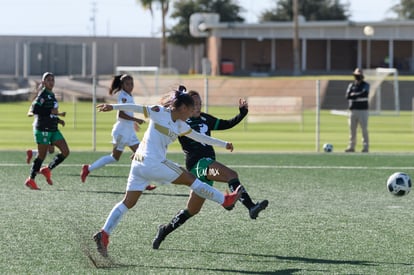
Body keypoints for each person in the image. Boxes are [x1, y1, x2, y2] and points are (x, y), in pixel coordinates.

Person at [92, 86, 243, 257]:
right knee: (191, 179)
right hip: (153, 163)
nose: (192, 113)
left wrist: (223, 144)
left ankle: (103, 233)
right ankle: (224, 200)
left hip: (139, 165)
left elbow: (201, 137)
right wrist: (112, 107)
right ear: (184, 108)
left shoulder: (180, 125)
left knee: (128, 202)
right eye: (191, 109)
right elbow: (138, 108)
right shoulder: (159, 111)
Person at [152, 90, 269, 249]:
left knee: (192, 210)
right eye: (194, 104)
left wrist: (242, 113)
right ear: (186, 107)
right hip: (198, 165)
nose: (198, 107)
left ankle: (164, 231)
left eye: (200, 104)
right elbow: (163, 132)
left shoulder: (206, 118)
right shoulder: (181, 123)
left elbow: (226, 124)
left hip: (206, 166)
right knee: (231, 175)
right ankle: (251, 207)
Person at [79, 74, 156, 190]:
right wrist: (136, 120)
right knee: (115, 157)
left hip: (129, 132)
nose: (130, 86)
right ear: (122, 85)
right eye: (127, 84)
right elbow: (121, 114)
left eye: (132, 84)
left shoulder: (129, 95)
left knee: (141, 155)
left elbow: (128, 112)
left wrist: (133, 123)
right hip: (121, 132)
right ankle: (88, 169)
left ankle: (143, 183)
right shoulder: (123, 96)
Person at [25, 72, 70, 190]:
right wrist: (51, 112)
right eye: (49, 80)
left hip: (53, 129)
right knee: (41, 156)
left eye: (52, 80)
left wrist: (58, 120)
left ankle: (47, 169)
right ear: (44, 82)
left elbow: (51, 112)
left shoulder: (51, 95)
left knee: (65, 151)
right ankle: (31, 179)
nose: (51, 82)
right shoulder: (42, 95)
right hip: (43, 129)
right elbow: (35, 109)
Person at [345, 68, 370, 153]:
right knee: (352, 130)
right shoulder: (351, 85)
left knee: (364, 129)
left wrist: (354, 95)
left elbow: (364, 93)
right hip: (352, 110)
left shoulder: (365, 85)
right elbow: (348, 96)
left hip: (363, 110)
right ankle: (351, 146)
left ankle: (365, 147)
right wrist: (355, 95)